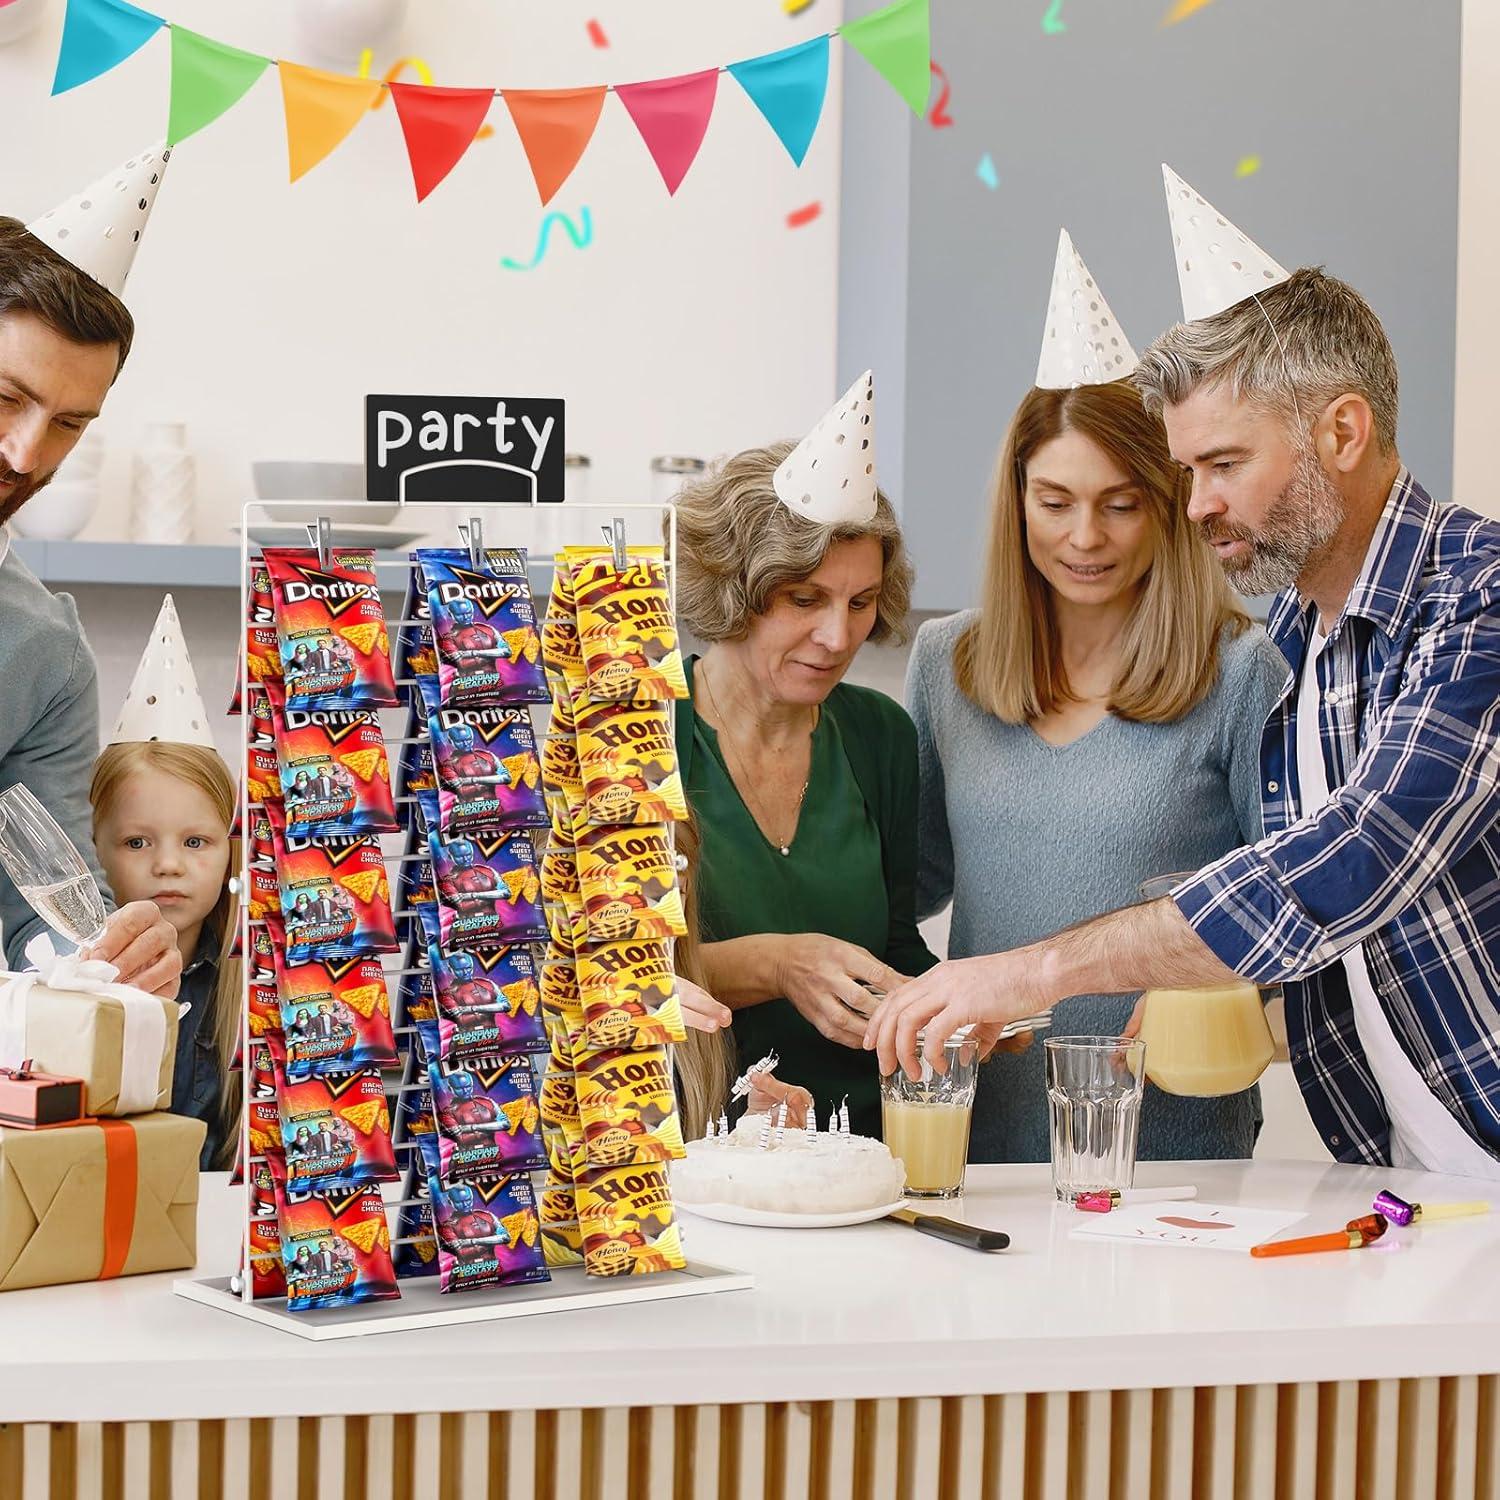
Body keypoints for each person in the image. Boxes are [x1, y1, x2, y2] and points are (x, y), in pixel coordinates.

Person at [870, 170, 1500, 1178]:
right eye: (1188, 472)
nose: (1196, 505)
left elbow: (1354, 861)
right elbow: (1340, 958)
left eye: (1223, 465)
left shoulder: (1477, 600)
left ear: (1342, 433)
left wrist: (1031, 973)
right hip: (1403, 1163)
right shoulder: (1301, 635)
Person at [905, 231, 1285, 1162]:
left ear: (1170, 503)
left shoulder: (1243, 673)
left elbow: (1294, 918)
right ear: (1016, 501)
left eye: (1120, 504)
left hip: (1174, 1146)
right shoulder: (945, 665)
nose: (1085, 537)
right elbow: (901, 892)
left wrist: (1229, 993)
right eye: (1055, 502)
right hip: (980, 1137)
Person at [670, 373, 937, 1137]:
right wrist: (777, 963)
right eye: (804, 599)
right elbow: (601, 969)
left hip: (863, 1145)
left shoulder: (879, 734)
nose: (837, 636)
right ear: (732, 589)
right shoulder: (644, 735)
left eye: (861, 603)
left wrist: (962, 1002)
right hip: (698, 1145)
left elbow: (893, 945)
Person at [0, 151, 181, 993]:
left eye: (69, 422)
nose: (27, 453)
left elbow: (39, 915)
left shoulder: (44, 652)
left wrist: (105, 958)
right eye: (7, 397)